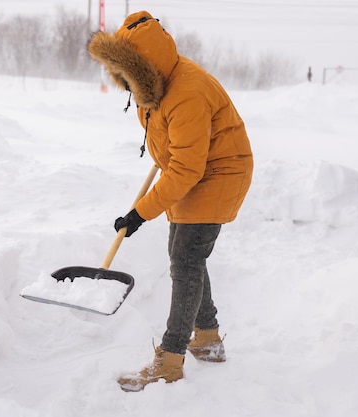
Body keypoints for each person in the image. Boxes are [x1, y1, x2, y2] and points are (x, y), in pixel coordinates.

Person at [88, 11, 253, 392]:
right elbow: (176, 152)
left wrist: (140, 212)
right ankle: (208, 339)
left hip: (220, 174)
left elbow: (186, 169)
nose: (125, 82)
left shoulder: (186, 92)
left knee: (186, 259)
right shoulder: (155, 86)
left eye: (127, 73)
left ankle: (170, 359)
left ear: (144, 67)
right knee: (185, 255)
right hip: (195, 169)